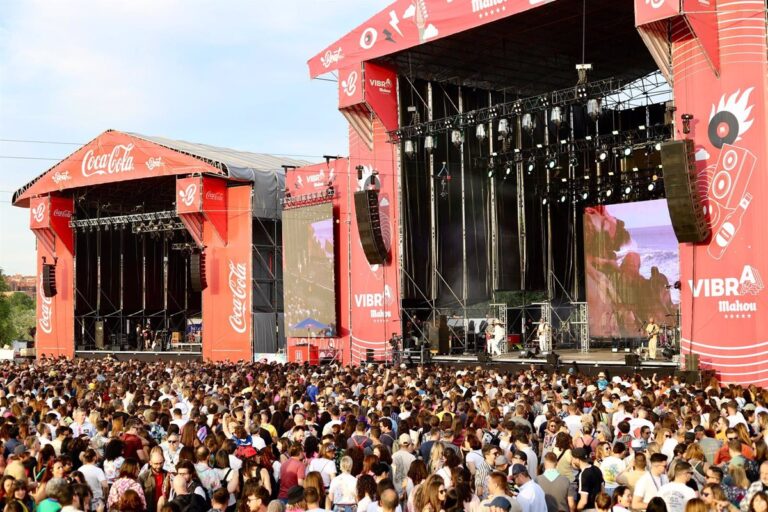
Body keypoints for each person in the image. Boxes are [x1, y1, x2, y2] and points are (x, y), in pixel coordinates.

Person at [572, 447, 605, 512]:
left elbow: (584, 501)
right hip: (598, 508)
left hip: (588, 509)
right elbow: (602, 491)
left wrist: (577, 509)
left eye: (573, 458)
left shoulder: (583, 474)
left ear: (577, 459)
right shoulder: (596, 469)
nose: (572, 460)